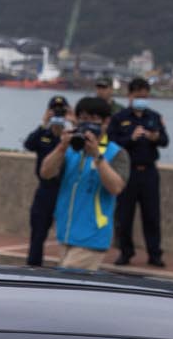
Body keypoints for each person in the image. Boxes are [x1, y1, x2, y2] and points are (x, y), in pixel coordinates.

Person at [38, 94, 128, 270]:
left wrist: (97, 156)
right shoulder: (71, 150)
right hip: (66, 234)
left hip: (92, 237)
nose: (88, 124)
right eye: (83, 119)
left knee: (65, 283)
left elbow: (116, 187)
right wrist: (62, 146)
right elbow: (46, 173)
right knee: (70, 291)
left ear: (106, 122)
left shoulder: (115, 153)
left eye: (94, 119)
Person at [109, 77, 169, 266]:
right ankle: (125, 252)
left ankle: (155, 254)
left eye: (145, 96)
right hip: (127, 172)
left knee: (152, 215)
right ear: (130, 95)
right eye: (138, 96)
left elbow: (165, 141)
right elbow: (112, 143)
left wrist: (154, 137)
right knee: (124, 216)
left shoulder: (154, 116)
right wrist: (130, 137)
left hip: (149, 172)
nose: (142, 99)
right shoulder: (120, 118)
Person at [21, 96, 70, 267]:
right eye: (54, 110)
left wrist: (74, 122)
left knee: (69, 234)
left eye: (61, 111)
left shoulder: (71, 136)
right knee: (38, 231)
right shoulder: (43, 135)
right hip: (46, 190)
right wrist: (44, 123)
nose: (58, 114)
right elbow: (28, 144)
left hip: (66, 189)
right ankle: (33, 267)